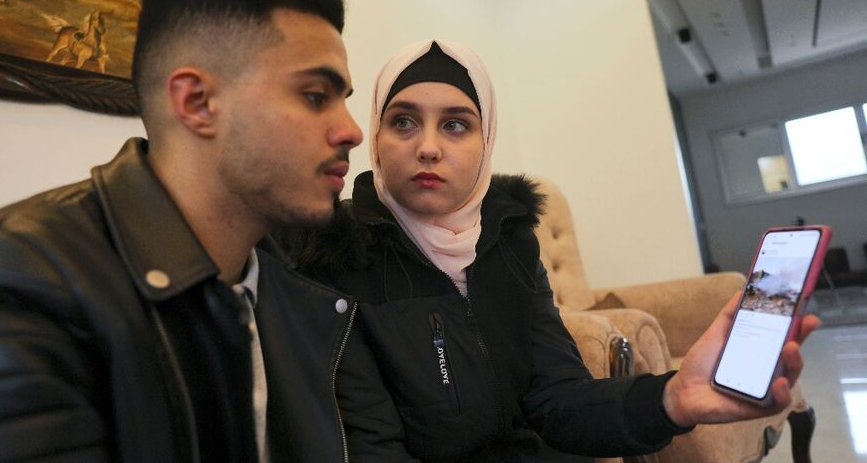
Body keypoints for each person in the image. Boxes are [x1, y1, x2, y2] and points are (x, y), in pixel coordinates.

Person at [286, 39, 819, 462]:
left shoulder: (508, 241)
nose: (427, 146)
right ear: (375, 135)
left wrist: (673, 397)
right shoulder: (337, 259)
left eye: (455, 124)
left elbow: (558, 400)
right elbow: (368, 448)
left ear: (486, 139)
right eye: (403, 120)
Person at [0, 0, 363, 461]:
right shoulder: (27, 283)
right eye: (316, 96)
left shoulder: (288, 285)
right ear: (197, 103)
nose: (352, 131)